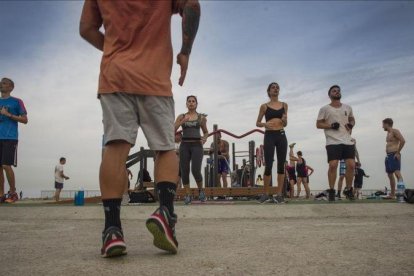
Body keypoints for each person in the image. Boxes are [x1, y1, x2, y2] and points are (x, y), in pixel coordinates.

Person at [80, 0, 200, 257]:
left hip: (115, 76)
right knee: (165, 148)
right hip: (154, 77)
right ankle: (166, 215)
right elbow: (192, 5)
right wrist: (185, 51)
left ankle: (112, 230)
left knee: (115, 146)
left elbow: (86, 28)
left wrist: (114, 49)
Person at [316, 85, 356, 202]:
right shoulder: (325, 109)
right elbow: (318, 124)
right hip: (332, 141)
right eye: (334, 91)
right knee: (333, 165)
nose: (337, 92)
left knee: (351, 165)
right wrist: (330, 125)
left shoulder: (348, 107)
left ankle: (348, 189)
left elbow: (352, 119)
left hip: (347, 141)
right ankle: (332, 190)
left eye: (338, 91)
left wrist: (351, 124)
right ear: (330, 95)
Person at [256, 82, 288, 203]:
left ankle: (279, 194)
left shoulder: (284, 105)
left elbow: (285, 123)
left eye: (277, 88)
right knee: (268, 165)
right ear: (269, 91)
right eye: (273, 88)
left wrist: (284, 121)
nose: (275, 89)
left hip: (281, 135)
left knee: (281, 165)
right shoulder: (264, 106)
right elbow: (257, 123)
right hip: (269, 135)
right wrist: (264, 124)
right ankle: (265, 194)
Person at [175, 95, 208, 204]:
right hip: (184, 145)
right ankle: (188, 195)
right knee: (184, 170)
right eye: (189, 101)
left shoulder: (201, 117)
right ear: (186, 104)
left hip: (197, 146)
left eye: (193, 101)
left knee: (195, 170)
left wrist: (205, 138)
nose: (191, 103)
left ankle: (201, 191)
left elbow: (206, 132)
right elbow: (173, 128)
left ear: (196, 104)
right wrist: (182, 121)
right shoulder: (182, 116)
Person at [0, 78, 28, 204]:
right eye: (1, 82)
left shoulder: (17, 102)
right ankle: (1, 194)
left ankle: (13, 192)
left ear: (11, 87)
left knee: (6, 165)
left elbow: (25, 120)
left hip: (10, 137)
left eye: (4, 83)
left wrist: (8, 115)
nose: (1, 84)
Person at [383, 118, 405, 198]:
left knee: (397, 173)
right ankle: (392, 194)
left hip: (394, 154)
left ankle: (401, 194)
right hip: (388, 156)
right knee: (390, 174)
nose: (382, 127)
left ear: (387, 124)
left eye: (383, 124)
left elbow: (402, 141)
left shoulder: (395, 131)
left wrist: (398, 152)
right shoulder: (388, 133)